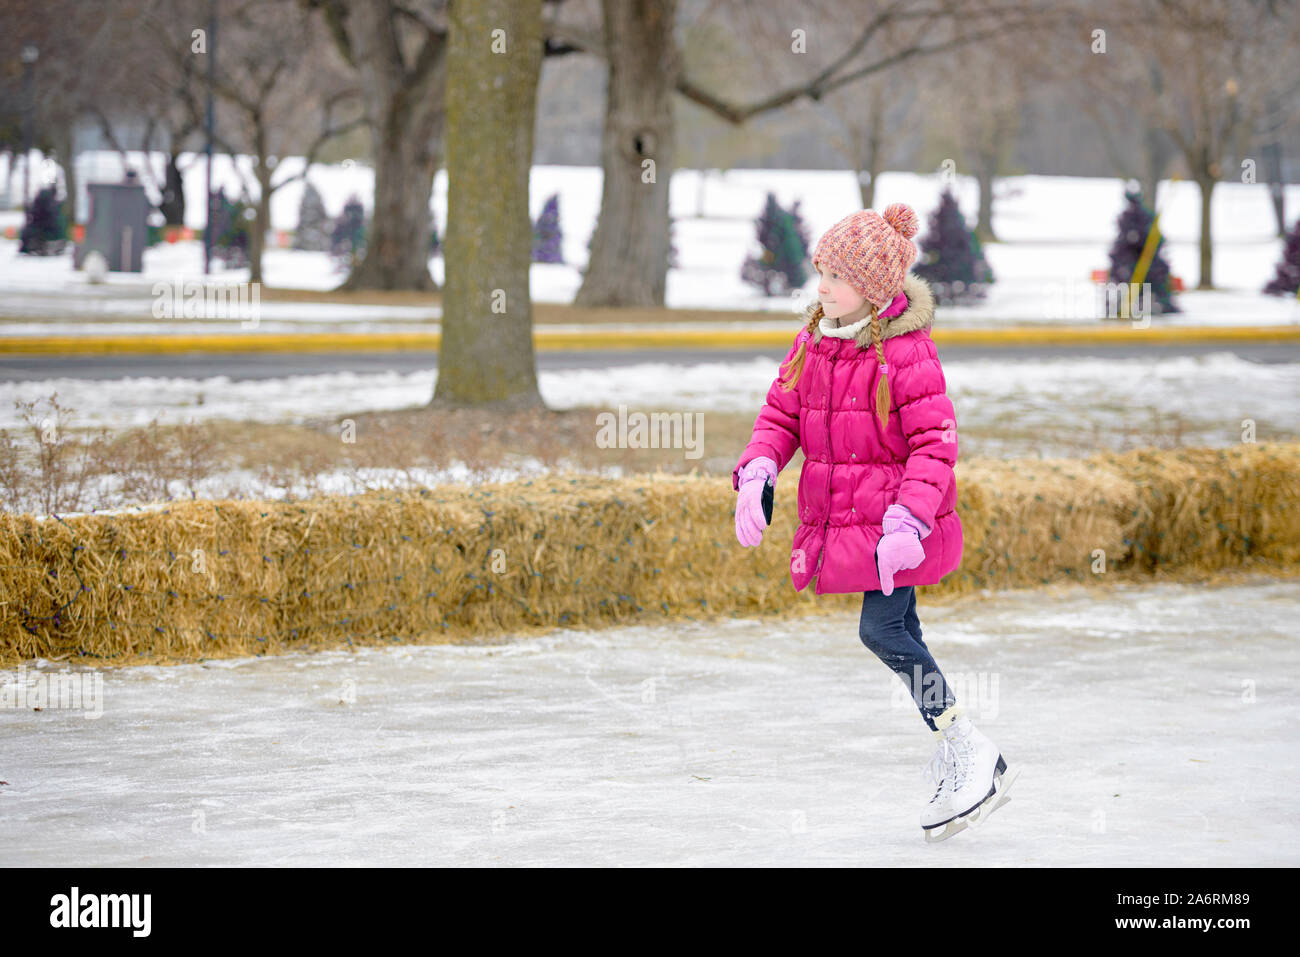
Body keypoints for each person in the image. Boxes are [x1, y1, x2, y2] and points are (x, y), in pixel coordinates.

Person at [732, 202, 1017, 842]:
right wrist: (757, 472)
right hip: (862, 529)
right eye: (821, 271)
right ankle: (957, 744)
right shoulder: (814, 341)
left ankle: (971, 749)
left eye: (836, 275)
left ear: (873, 288)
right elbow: (780, 418)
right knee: (896, 628)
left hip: (892, 528)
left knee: (881, 629)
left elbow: (935, 443)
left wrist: (909, 520)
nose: (822, 286)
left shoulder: (907, 353)